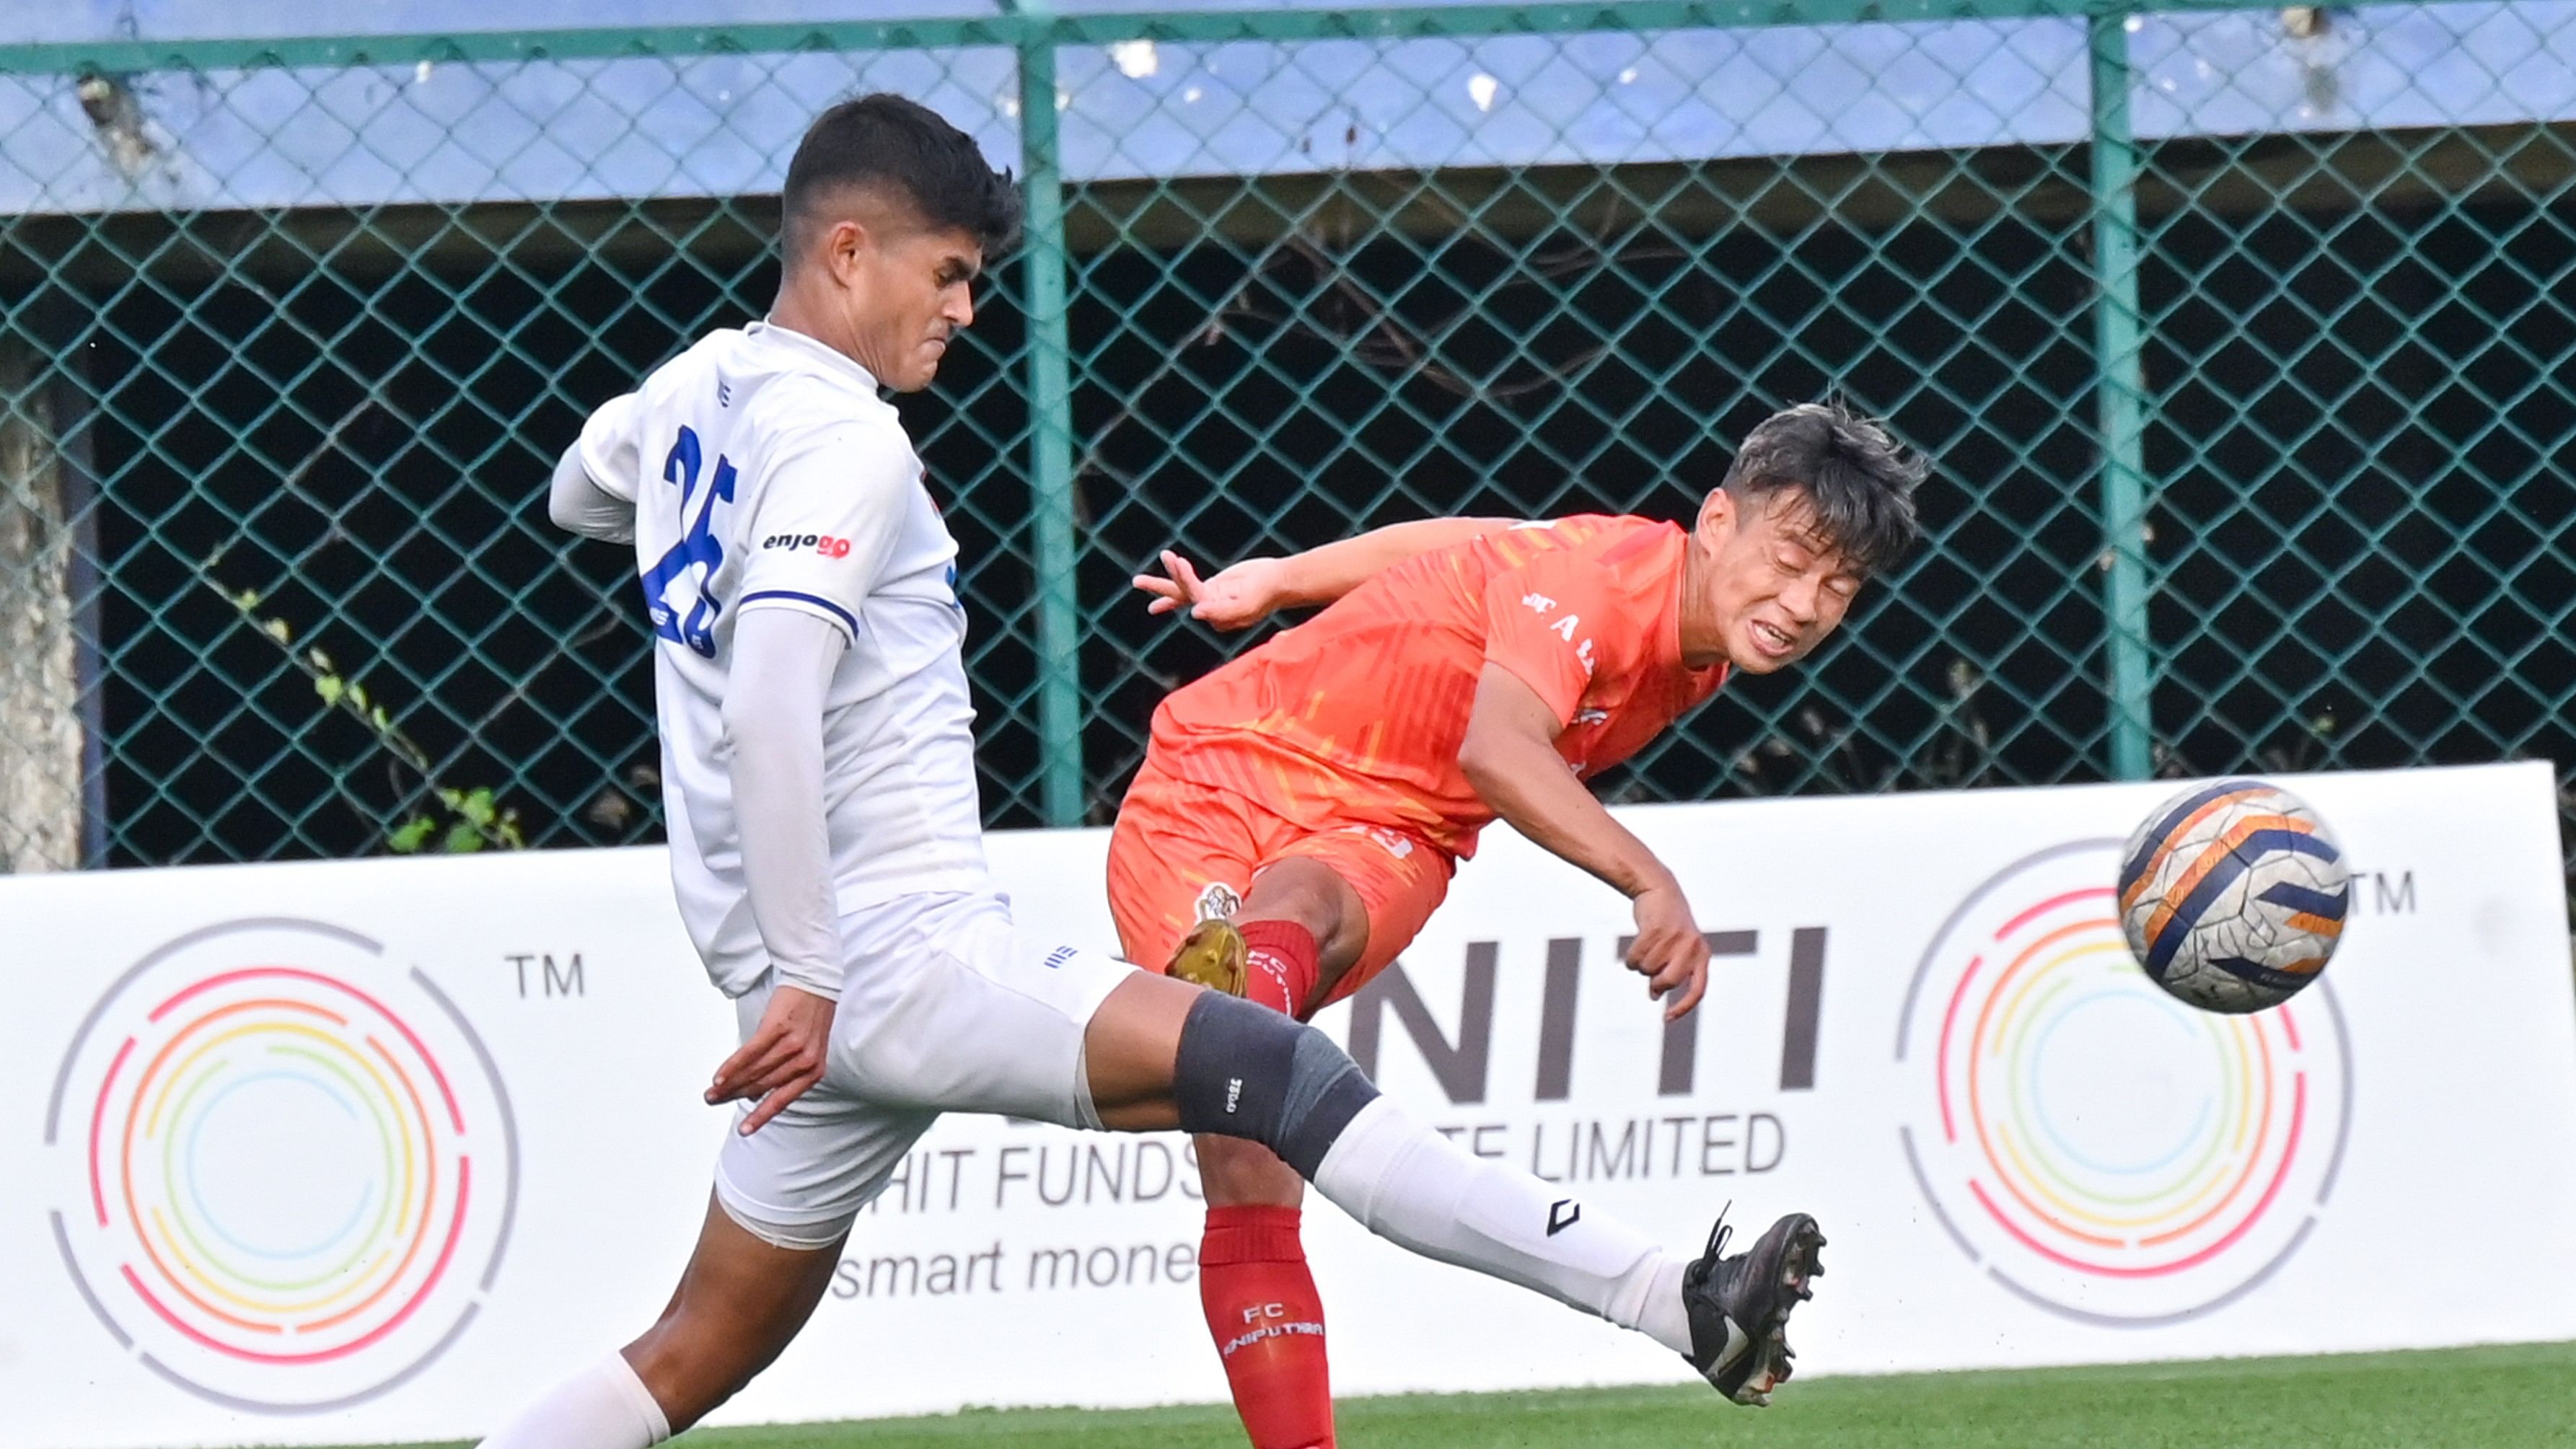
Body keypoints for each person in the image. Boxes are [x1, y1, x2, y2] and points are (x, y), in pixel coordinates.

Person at [480, 94, 1824, 1449]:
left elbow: (575, 494)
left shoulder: (697, 388)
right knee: (1272, 1070)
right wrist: (821, 966)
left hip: (805, 1003)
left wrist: (798, 966)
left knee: (690, 1353)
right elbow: (773, 690)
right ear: (846, 252)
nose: (962, 309)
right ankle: (1678, 1300)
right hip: (894, 966)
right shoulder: (847, 442)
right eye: (945, 274)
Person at [1112, 400, 1923, 1449]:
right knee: (1245, 1147)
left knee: (1282, 976)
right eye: (1791, 559)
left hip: (1396, 828)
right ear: (1718, 519)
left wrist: (1284, 573)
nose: (1804, 603)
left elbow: (1471, 549)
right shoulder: (1606, 587)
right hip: (1216, 779)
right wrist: (1649, 878)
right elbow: (1504, 747)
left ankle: (1231, 1023)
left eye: (1837, 588)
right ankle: (1221, 1032)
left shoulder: (1697, 636)